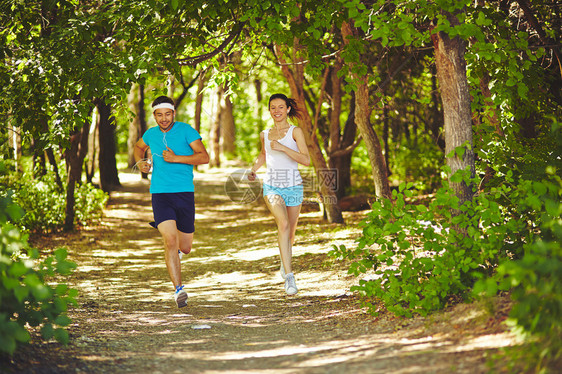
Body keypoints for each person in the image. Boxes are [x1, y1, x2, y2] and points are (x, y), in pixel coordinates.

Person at [134, 95, 209, 308]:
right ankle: (178, 290)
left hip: (184, 193)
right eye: (159, 115)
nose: (164, 119)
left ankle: (176, 253)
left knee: (184, 248)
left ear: (173, 113)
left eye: (167, 114)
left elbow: (204, 157)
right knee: (170, 240)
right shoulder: (150, 134)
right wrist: (141, 162)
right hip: (160, 193)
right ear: (155, 116)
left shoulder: (187, 131)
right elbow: (138, 148)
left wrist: (177, 158)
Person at [248, 93, 310, 295]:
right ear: (269, 110)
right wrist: (254, 169)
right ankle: (290, 278)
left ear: (288, 109)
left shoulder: (295, 132)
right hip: (272, 185)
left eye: (281, 107)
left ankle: (285, 262)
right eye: (273, 107)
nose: (277, 111)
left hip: (294, 186)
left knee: (290, 233)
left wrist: (283, 147)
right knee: (282, 224)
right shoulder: (265, 133)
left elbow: (306, 160)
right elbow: (263, 154)